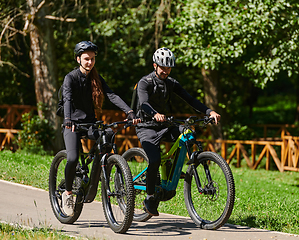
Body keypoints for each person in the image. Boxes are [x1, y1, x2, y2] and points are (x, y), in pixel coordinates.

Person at [135, 47, 221, 216]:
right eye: (163, 67)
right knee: (154, 159)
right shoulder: (145, 82)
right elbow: (143, 103)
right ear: (155, 65)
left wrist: (208, 111)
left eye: (169, 68)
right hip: (146, 126)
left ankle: (172, 167)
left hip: (164, 124)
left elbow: (190, 99)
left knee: (188, 134)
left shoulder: (171, 83)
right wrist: (155, 114)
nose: (166, 71)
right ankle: (150, 197)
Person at [61, 40, 140, 216]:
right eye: (86, 59)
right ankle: (68, 193)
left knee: (109, 134)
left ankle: (103, 169)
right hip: (72, 124)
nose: (90, 62)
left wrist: (129, 111)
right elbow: (66, 98)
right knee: (73, 158)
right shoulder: (70, 78)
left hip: (90, 123)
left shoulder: (96, 78)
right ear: (78, 59)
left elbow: (111, 95)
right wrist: (67, 119)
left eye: (93, 59)